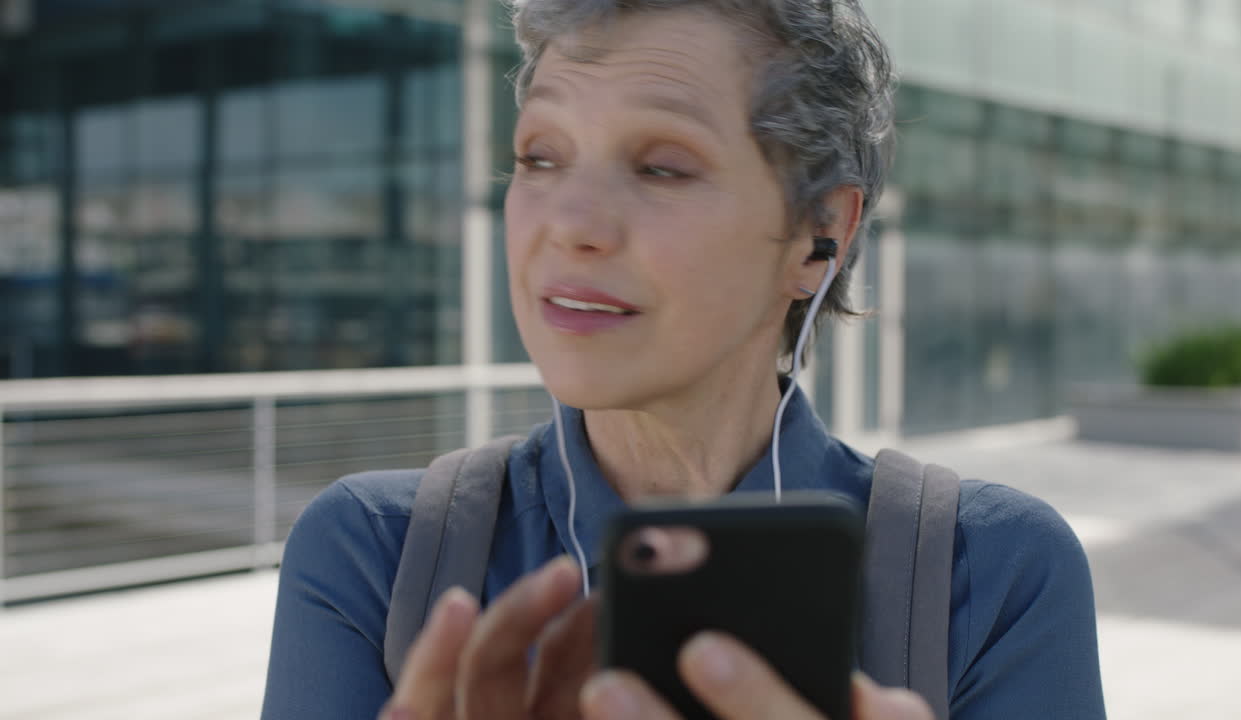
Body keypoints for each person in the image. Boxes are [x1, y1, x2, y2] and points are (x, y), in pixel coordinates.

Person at [260, 1, 1107, 718]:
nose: (571, 222)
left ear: (819, 237)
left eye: (661, 167)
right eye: (540, 156)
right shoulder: (375, 553)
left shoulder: (992, 571)